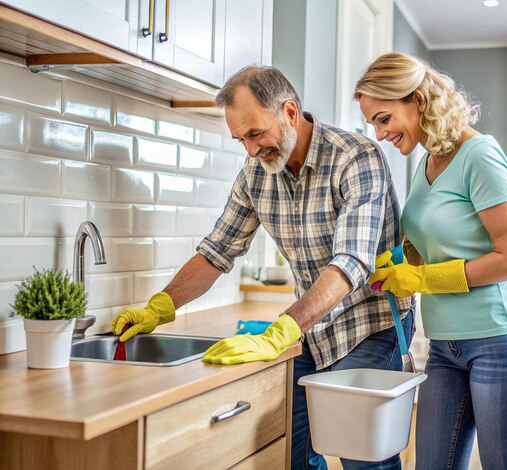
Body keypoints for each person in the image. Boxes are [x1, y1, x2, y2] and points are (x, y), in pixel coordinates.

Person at [111, 65, 416, 470]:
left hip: (369, 325)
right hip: (311, 330)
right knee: (289, 450)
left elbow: (352, 261)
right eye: (241, 139)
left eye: (256, 134)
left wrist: (284, 329)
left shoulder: (356, 157)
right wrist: (161, 305)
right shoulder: (256, 174)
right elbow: (217, 250)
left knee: (362, 458)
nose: (251, 150)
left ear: (290, 112)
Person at [354, 52, 507, 469]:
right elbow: (439, 239)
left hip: (503, 344)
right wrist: (397, 261)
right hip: (446, 348)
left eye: (384, 118)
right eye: (373, 122)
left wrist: (422, 279)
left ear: (418, 102)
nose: (379, 132)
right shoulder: (426, 161)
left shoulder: (479, 155)